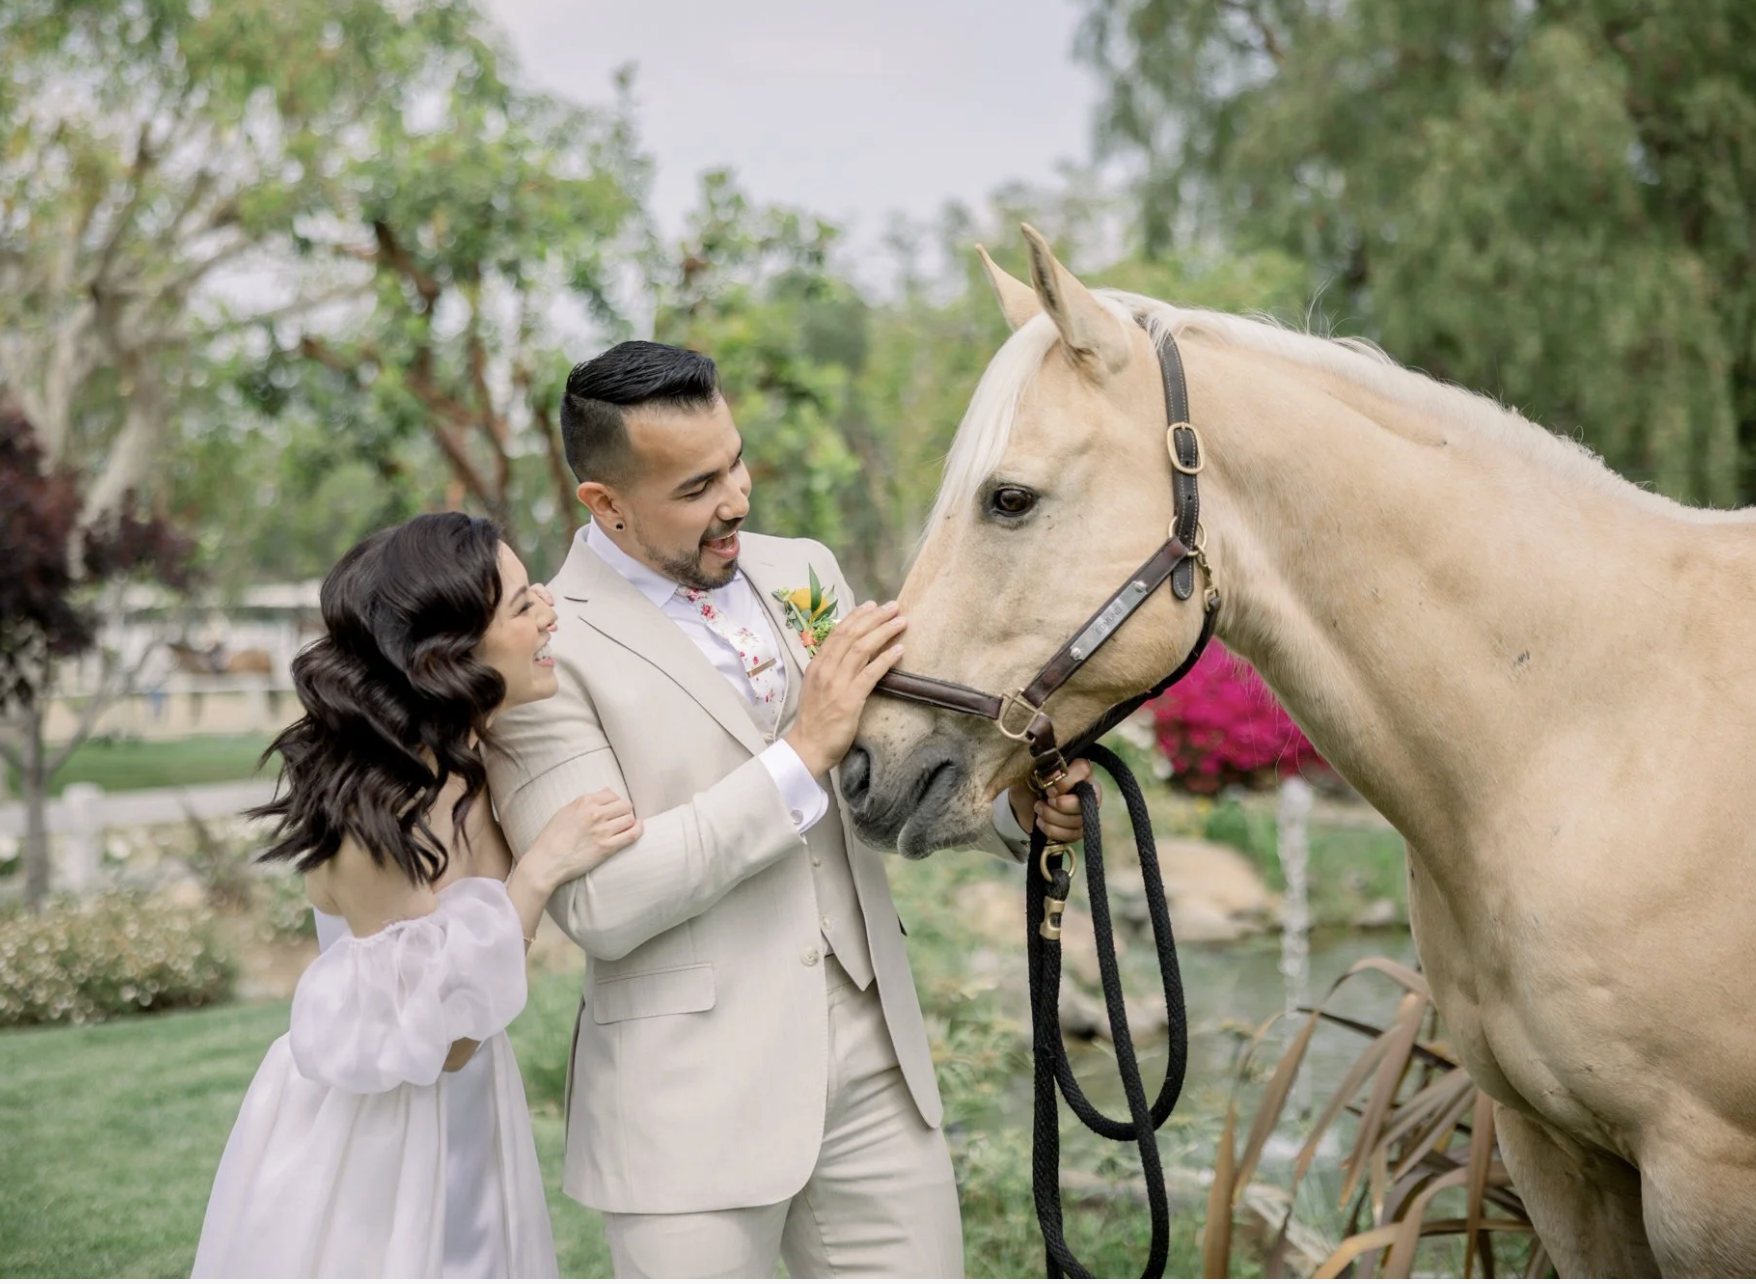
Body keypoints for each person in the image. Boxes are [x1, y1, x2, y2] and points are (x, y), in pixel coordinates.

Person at [485, 341, 1095, 1278]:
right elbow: (601, 907)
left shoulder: (800, 569)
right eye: (694, 488)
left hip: (874, 1066)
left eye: (734, 462)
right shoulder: (546, 648)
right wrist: (800, 749)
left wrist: (1015, 818)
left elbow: (866, 794)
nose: (735, 500)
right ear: (604, 504)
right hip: (689, 1108)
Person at [192, 512, 643, 1278]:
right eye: (521, 605)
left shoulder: (472, 753)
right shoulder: (378, 816)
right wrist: (539, 869)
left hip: (467, 1110)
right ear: (450, 653)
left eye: (537, 590)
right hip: (379, 1135)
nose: (548, 613)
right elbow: (445, 1042)